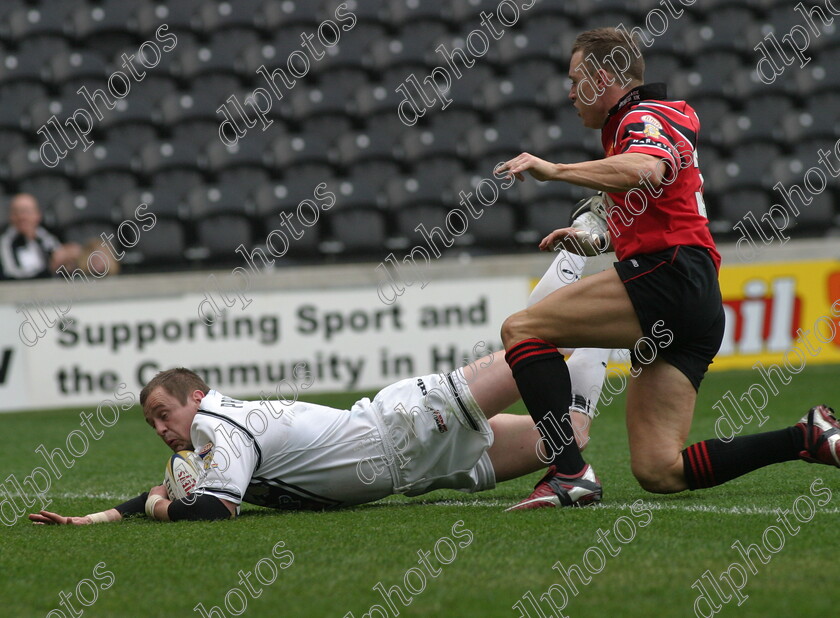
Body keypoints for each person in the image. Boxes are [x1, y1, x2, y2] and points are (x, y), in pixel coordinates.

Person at [495, 27, 839, 510]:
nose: (569, 93)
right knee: (660, 470)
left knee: (522, 330)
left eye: (576, 80)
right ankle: (806, 437)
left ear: (606, 77)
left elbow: (647, 170)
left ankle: (569, 472)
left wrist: (554, 170)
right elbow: (657, 197)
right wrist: (595, 236)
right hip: (695, 297)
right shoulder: (656, 118)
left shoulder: (641, 116)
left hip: (669, 276)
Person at [0, 193, 79, 280]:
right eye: (17, 212)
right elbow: (11, 276)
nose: (22, 217)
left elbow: (58, 259)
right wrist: (49, 270)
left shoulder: (46, 237)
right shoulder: (5, 242)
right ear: (11, 217)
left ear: (38, 215)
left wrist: (68, 259)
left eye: (27, 212)